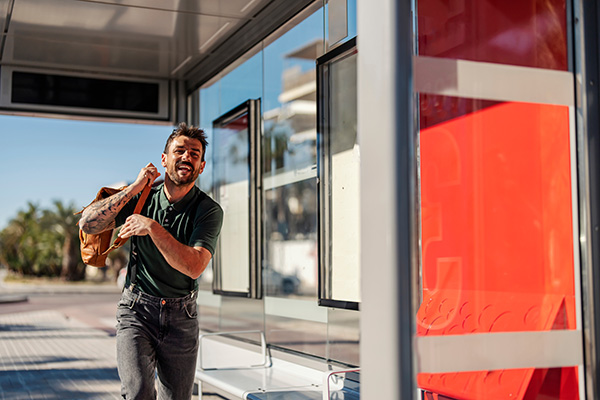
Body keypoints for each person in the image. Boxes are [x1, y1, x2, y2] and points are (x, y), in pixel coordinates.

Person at [79, 123, 223, 400]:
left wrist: (152, 228)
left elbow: (194, 266)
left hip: (182, 316)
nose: (186, 157)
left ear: (201, 166)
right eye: (179, 151)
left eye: (194, 154)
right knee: (138, 393)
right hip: (136, 310)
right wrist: (133, 189)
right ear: (164, 159)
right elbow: (88, 224)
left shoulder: (208, 210)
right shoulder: (142, 198)